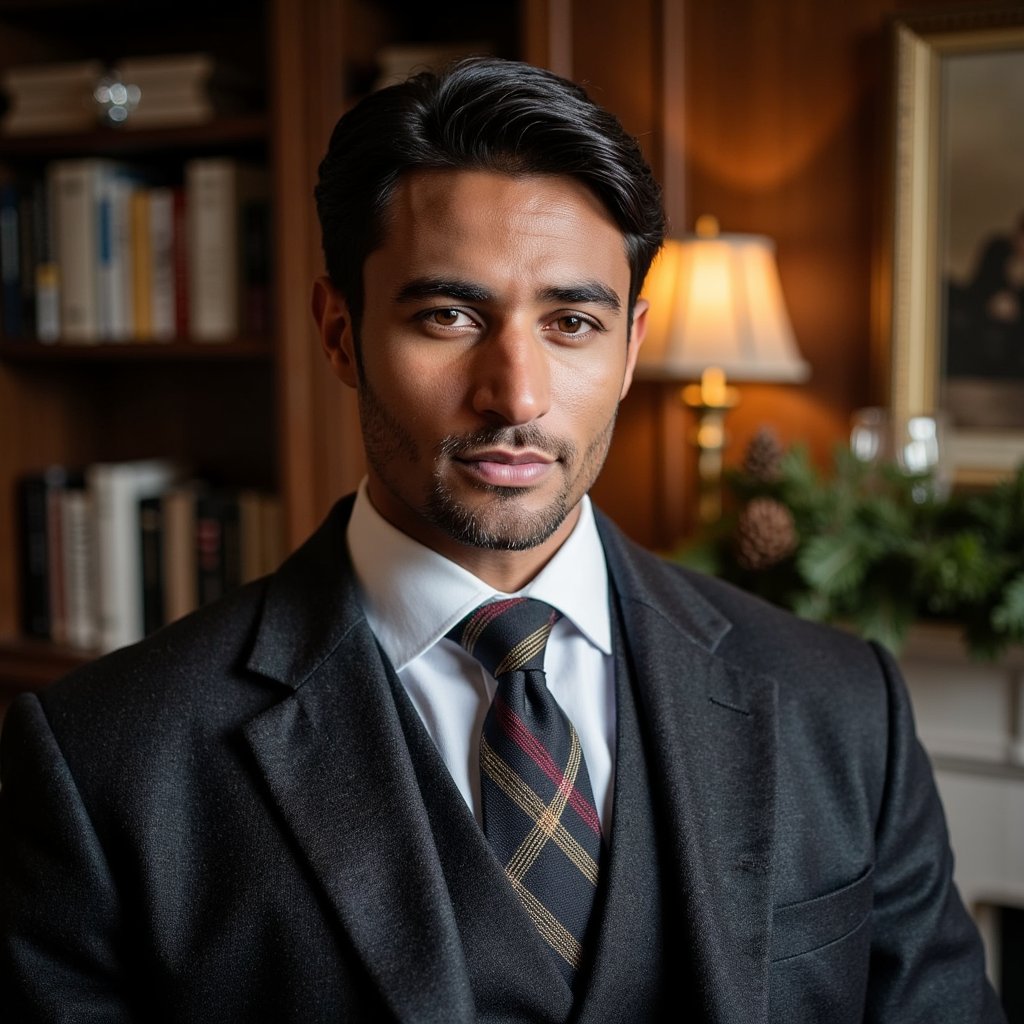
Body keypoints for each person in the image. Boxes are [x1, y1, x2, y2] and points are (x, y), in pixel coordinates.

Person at [0, 58, 1005, 1024]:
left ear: (630, 349)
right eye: (446, 314)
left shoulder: (842, 708)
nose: (515, 394)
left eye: (571, 322)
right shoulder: (106, 760)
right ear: (338, 331)